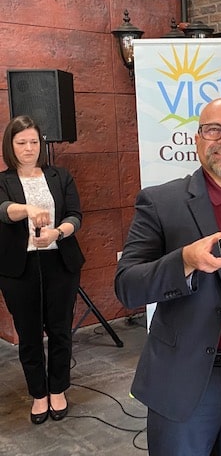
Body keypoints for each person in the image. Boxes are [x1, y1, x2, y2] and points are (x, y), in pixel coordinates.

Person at [115, 98, 221, 456]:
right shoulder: (161, 202)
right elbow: (127, 286)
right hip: (185, 380)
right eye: (213, 130)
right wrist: (185, 261)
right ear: (197, 139)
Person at [0, 115, 85, 425]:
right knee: (29, 334)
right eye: (21, 142)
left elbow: (75, 215)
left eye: (34, 142)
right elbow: (3, 211)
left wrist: (57, 233)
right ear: (10, 146)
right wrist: (27, 209)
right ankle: (39, 393)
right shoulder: (3, 181)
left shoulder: (60, 176)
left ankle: (58, 389)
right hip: (19, 268)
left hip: (59, 263)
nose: (29, 148)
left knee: (60, 329)